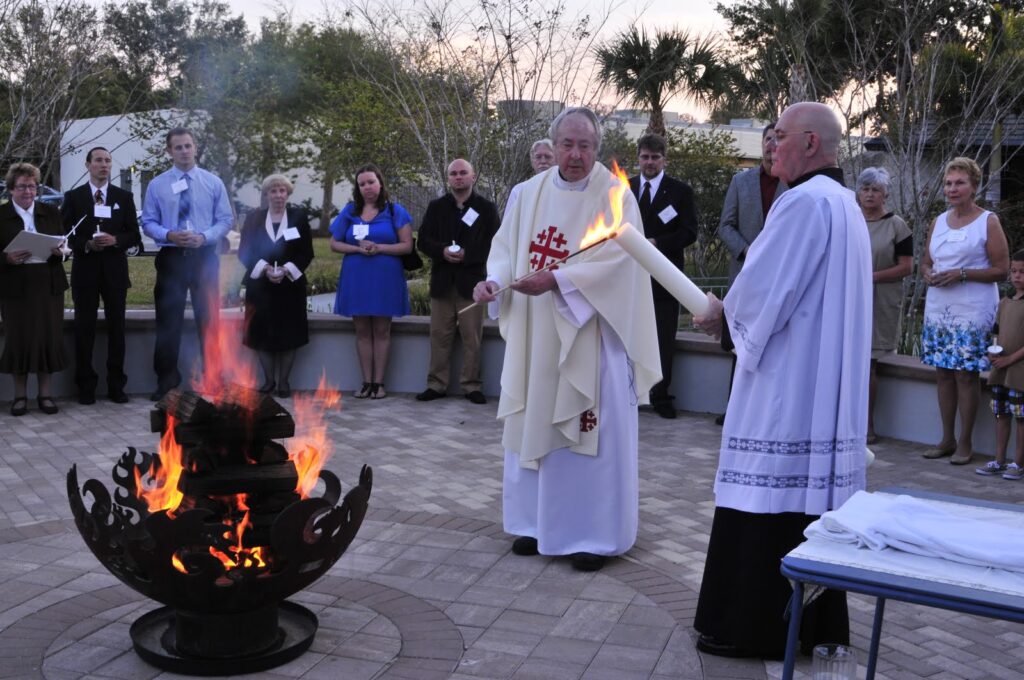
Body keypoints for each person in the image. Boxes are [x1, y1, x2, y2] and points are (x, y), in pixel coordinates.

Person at [692, 102, 872, 658]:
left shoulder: (799, 204)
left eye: (780, 138)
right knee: (805, 506)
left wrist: (721, 313)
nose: (772, 148)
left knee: (767, 495)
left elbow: (764, 292)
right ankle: (812, 629)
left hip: (786, 387)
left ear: (812, 143)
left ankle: (753, 629)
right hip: (826, 389)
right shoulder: (846, 206)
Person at [472, 106, 661, 572]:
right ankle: (533, 524)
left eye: (586, 146)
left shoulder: (615, 194)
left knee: (587, 430)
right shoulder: (526, 192)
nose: (575, 155)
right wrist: (494, 282)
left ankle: (592, 536)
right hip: (538, 333)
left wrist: (558, 280)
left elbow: (622, 263)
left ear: (597, 148)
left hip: (590, 333)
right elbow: (505, 252)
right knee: (533, 418)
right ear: (552, 146)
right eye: (567, 145)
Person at [920, 157, 1009, 466]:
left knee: (965, 375)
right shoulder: (938, 221)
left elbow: (1002, 269)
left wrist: (962, 274)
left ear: (974, 186)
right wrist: (928, 273)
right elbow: (926, 261)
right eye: (948, 183)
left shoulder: (988, 221)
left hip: (973, 309)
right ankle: (946, 438)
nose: (952, 188)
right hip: (939, 307)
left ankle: (966, 442)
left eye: (959, 183)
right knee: (943, 373)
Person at [141, 127, 234, 401]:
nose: (184, 151)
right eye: (178, 147)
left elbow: (225, 219)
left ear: (195, 148)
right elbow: (148, 222)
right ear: (169, 151)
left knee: (210, 320)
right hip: (171, 259)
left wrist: (205, 237)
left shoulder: (212, 182)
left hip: (204, 259)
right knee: (168, 322)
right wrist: (168, 235)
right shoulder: (157, 185)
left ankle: (213, 378)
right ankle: (167, 382)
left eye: (188, 146)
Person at [714, 123, 787, 424]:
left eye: (778, 140)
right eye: (768, 139)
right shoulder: (740, 181)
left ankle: (763, 414)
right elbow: (725, 225)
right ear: (761, 144)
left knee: (771, 346)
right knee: (739, 344)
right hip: (744, 275)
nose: (772, 145)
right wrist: (747, 251)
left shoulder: (793, 185)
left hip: (779, 278)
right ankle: (734, 409)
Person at [415, 159, 500, 404]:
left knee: (472, 337)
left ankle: (471, 385)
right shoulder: (437, 207)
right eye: (453, 174)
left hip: (471, 283)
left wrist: (467, 255)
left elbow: (494, 244)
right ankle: (436, 384)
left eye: (463, 173)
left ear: (473, 177)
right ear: (448, 178)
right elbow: (423, 241)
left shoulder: (486, 209)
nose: (458, 177)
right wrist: (442, 251)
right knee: (439, 336)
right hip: (443, 282)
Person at [61, 147, 141, 405]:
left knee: (117, 329)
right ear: (88, 165)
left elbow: (134, 235)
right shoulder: (73, 197)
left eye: (108, 161)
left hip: (115, 273)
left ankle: (116, 385)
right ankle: (86, 386)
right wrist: (86, 244)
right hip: (85, 272)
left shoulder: (123, 197)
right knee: (85, 328)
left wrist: (116, 239)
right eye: (98, 161)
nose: (104, 165)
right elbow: (65, 234)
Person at [628, 133, 697, 419]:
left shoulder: (680, 192)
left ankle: (660, 394)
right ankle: (628, 392)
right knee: (627, 334)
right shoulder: (624, 188)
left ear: (664, 159)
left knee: (662, 337)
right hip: (628, 276)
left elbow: (688, 232)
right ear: (639, 158)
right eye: (645, 156)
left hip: (664, 277)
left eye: (655, 157)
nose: (650, 162)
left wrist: (656, 245)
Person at [330, 163, 412, 400]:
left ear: (380, 183)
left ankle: (379, 383)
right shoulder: (350, 211)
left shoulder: (395, 211)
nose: (367, 187)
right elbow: (334, 243)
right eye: (362, 183)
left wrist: (380, 248)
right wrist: (356, 248)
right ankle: (366, 381)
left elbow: (407, 245)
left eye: (371, 182)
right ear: (358, 187)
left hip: (385, 277)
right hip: (357, 277)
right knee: (363, 331)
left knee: (382, 330)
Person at [0, 163, 68, 416]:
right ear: (10, 190)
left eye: (32, 186)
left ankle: (45, 395)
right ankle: (19, 397)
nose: (28, 191)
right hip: (15, 288)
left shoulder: (50, 212)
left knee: (47, 337)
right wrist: (6, 258)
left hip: (48, 285)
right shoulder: (2, 216)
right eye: (22, 186)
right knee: (19, 339)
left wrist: (62, 252)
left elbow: (63, 245)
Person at [238, 174, 313, 399]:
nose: (278, 195)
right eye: (273, 191)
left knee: (289, 334)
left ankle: (283, 383)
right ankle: (268, 381)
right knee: (262, 334)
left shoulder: (299, 218)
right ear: (266, 194)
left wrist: (286, 269)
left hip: (290, 286)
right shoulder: (253, 219)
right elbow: (245, 251)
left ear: (287, 194)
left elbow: (306, 252)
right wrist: (266, 269)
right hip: (261, 286)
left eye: (282, 191)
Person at [857, 167, 912, 444]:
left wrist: (871, 277)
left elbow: (906, 267)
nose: (869, 194)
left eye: (875, 190)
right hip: (850, 300)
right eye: (865, 189)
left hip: (880, 301)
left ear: (885, 194)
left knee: (868, 364)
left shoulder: (896, 226)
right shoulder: (850, 220)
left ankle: (867, 426)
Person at [977, 250, 1024, 481]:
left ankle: (1018, 463)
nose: (1017, 276)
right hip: (1001, 370)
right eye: (1014, 271)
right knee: (1001, 414)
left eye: (1022, 272)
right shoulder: (1004, 302)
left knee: (1021, 417)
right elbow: (996, 333)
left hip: (1019, 372)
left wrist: (1010, 359)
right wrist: (993, 352)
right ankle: (999, 459)